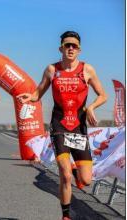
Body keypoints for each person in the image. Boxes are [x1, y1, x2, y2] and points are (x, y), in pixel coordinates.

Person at [17, 31, 107, 220]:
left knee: (86, 180)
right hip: (59, 126)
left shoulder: (87, 70)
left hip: (79, 128)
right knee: (65, 175)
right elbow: (37, 93)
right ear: (61, 48)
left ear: (79, 50)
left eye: (74, 46)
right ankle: (66, 216)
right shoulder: (51, 70)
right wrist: (29, 97)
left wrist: (91, 107)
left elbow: (103, 95)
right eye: (67, 45)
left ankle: (76, 171)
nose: (71, 48)